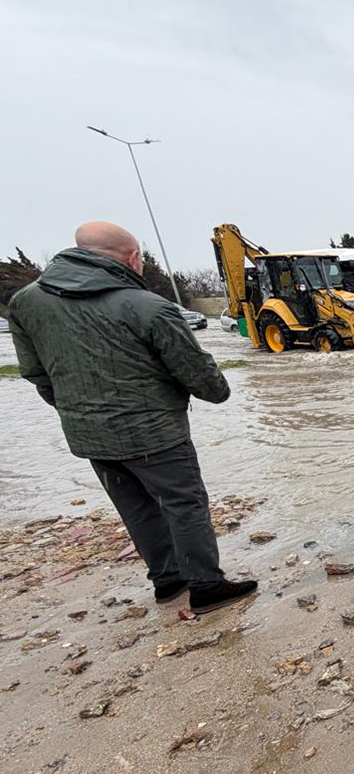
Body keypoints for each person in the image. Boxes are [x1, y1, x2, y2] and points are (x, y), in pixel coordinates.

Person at [8, 222, 257, 614]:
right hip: (156, 433)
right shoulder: (148, 306)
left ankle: (167, 579)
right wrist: (217, 392)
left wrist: (77, 411)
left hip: (88, 435)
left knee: (135, 507)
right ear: (133, 258)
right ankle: (207, 585)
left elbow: (36, 373)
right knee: (183, 503)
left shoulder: (25, 302)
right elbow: (200, 376)